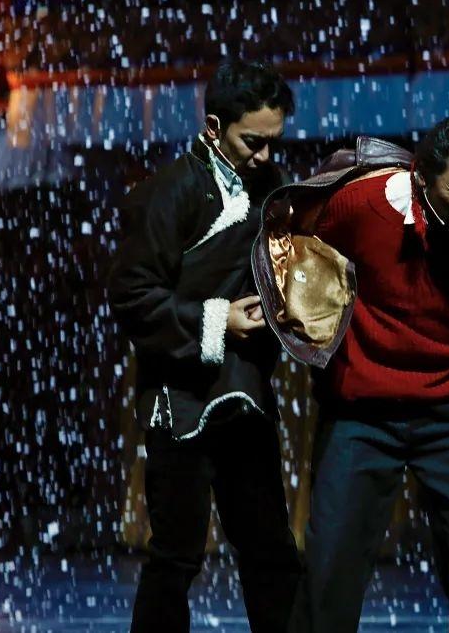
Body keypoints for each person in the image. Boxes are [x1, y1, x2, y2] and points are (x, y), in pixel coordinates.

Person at [254, 116, 449, 632]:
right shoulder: (363, 203)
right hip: (362, 412)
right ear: (421, 178)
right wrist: (305, 314)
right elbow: (286, 231)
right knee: (331, 568)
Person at [109, 58, 301, 633]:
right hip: (181, 398)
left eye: (273, 142)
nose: (264, 155)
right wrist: (218, 319)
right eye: (253, 142)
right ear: (214, 127)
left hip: (245, 391)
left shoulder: (273, 191)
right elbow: (132, 296)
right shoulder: (166, 193)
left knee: (270, 550)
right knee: (176, 555)